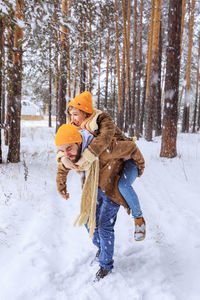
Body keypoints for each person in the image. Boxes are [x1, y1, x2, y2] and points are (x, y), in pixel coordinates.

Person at [55, 124, 145, 281]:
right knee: (88, 220)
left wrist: (139, 167)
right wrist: (61, 187)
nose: (67, 154)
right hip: (94, 187)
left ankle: (105, 265)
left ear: (78, 142)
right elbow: (63, 166)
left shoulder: (103, 147)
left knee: (104, 225)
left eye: (69, 148)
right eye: (63, 151)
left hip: (111, 188)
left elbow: (131, 147)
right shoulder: (73, 152)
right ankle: (102, 248)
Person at [65, 91, 146, 241]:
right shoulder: (76, 126)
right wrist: (62, 159)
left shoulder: (100, 119)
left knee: (123, 186)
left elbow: (105, 139)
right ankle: (101, 247)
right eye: (71, 115)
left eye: (75, 114)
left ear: (85, 112)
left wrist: (88, 155)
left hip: (128, 158)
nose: (72, 119)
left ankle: (138, 219)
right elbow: (64, 143)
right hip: (114, 159)